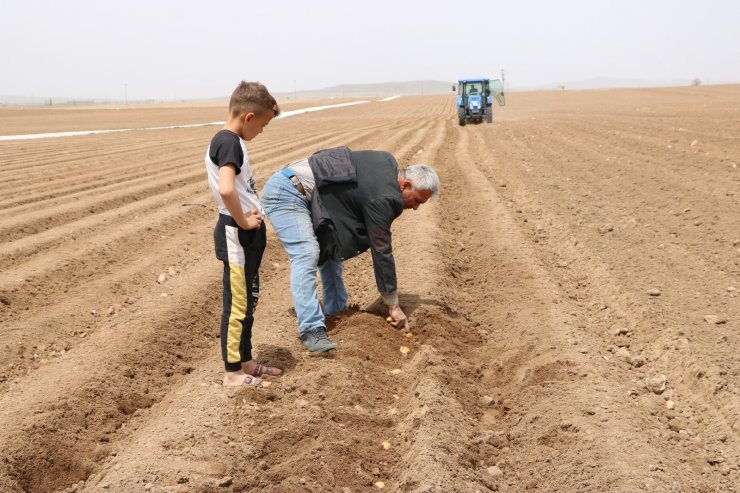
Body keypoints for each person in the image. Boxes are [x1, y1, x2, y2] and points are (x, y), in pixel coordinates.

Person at [262, 146, 440, 352]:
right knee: (306, 253)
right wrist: (393, 304)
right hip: (288, 192)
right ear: (406, 184)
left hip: (309, 192)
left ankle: (336, 311)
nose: (416, 207)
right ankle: (311, 330)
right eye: (417, 200)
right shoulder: (385, 197)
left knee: (331, 248)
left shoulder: (386, 161)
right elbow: (381, 248)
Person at [205, 81, 283, 386]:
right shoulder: (229, 142)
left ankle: (246, 361)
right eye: (262, 125)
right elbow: (226, 188)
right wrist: (243, 221)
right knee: (237, 304)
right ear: (249, 117)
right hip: (236, 233)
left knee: (248, 300)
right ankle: (232, 372)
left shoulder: (232, 142)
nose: (261, 132)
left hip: (245, 233)